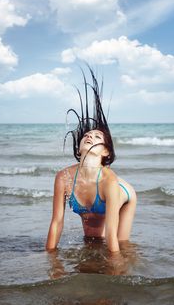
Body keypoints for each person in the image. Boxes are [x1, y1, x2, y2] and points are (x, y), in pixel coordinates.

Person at [46, 68, 137, 253]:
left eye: (96, 137)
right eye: (86, 135)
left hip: (124, 195)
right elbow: (57, 222)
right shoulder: (63, 177)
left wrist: (116, 268)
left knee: (121, 248)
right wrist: (50, 258)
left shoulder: (110, 180)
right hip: (92, 183)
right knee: (91, 239)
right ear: (79, 148)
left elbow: (112, 232)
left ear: (105, 151)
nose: (89, 137)